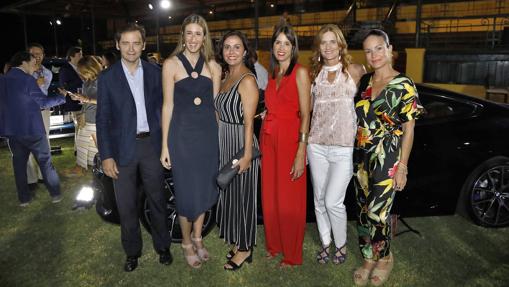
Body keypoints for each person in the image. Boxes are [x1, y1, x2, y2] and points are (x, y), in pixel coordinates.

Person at [96, 23, 172, 272]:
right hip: (122, 150)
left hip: (152, 145)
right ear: (117, 45)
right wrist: (106, 155)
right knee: (127, 205)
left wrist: (167, 144)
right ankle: (132, 252)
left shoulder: (155, 72)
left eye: (136, 42)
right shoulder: (107, 78)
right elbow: (103, 118)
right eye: (125, 43)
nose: (131, 48)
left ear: (143, 44)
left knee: (158, 199)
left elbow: (165, 109)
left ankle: (163, 247)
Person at [353, 29, 423, 286]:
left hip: (388, 155)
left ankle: (384, 258)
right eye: (369, 50)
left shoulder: (404, 84)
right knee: (362, 210)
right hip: (360, 155)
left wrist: (402, 166)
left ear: (389, 49)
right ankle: (368, 256)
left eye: (378, 48)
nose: (374, 55)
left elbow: (409, 130)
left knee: (378, 213)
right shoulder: (365, 82)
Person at [160, 14, 221, 269]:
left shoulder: (214, 66)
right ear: (182, 36)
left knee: (205, 190)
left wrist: (220, 140)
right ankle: (186, 242)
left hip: (207, 137)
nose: (193, 38)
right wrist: (165, 145)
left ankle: (198, 237)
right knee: (186, 193)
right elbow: (167, 106)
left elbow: (215, 107)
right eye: (189, 33)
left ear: (204, 37)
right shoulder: (171, 64)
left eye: (198, 33)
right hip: (182, 138)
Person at [308, 24, 366, 265]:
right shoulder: (314, 75)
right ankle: (326, 242)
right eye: (324, 42)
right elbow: (309, 110)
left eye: (333, 41)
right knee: (319, 199)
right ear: (319, 47)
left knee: (333, 201)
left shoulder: (355, 70)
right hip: (316, 146)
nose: (328, 46)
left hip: (343, 147)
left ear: (341, 44)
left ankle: (341, 244)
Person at [261, 24, 311, 267]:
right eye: (277, 43)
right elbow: (274, 105)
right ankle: (275, 244)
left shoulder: (300, 72)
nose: (281, 48)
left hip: (291, 140)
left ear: (293, 48)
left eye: (286, 43)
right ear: (272, 47)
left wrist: (302, 150)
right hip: (269, 139)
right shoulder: (273, 75)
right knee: (271, 195)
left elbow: (305, 113)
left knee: (289, 198)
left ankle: (291, 254)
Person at [215, 30, 260, 271]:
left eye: (236, 47)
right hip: (225, 141)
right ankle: (237, 240)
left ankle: (245, 248)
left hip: (241, 144)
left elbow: (249, 122)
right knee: (231, 196)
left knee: (243, 197)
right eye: (227, 47)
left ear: (245, 51)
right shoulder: (226, 76)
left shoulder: (247, 79)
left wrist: (246, 155)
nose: (231, 52)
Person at [0, 51, 65, 206]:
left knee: (19, 166)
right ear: (23, 62)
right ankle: (55, 194)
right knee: (45, 163)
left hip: (12, 131)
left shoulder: (3, 80)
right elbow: (42, 103)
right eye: (33, 62)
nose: (35, 65)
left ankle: (24, 199)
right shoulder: (27, 80)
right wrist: (61, 98)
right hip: (33, 129)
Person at [26, 43, 53, 186]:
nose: (37, 56)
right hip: (26, 112)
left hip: (42, 111)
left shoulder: (47, 72)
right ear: (28, 55)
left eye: (39, 54)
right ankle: (31, 179)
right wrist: (35, 82)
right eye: (34, 54)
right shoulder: (23, 71)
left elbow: (42, 93)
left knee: (44, 143)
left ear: (43, 55)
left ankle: (44, 175)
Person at [72, 55, 102, 169]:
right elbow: (86, 101)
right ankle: (95, 170)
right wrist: (80, 98)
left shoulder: (102, 80)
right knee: (84, 149)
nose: (82, 74)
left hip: (97, 119)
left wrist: (87, 99)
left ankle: (105, 173)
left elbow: (106, 101)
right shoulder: (86, 83)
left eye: (83, 72)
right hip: (88, 118)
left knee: (100, 150)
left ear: (91, 69)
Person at [60, 46, 84, 162]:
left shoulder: (81, 67)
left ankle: (77, 149)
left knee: (80, 127)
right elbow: (64, 86)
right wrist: (79, 79)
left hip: (83, 101)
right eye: (79, 54)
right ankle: (79, 150)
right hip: (74, 102)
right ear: (72, 56)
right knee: (80, 126)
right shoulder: (65, 69)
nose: (82, 57)